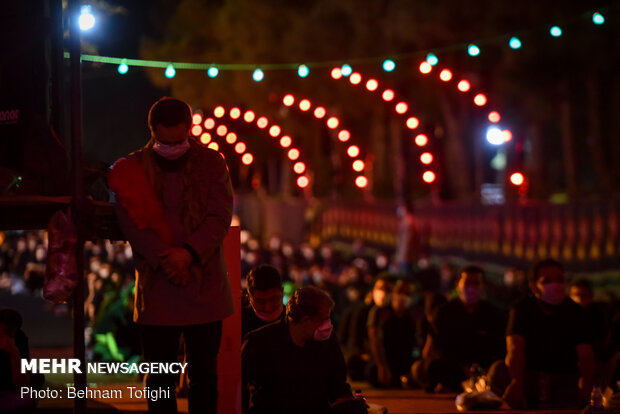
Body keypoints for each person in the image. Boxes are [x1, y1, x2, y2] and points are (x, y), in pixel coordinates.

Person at [109, 97, 234, 414]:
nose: (173, 147)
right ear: (152, 133)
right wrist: (168, 258)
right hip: (157, 288)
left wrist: (188, 254)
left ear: (190, 131)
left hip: (204, 286)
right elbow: (131, 224)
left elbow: (219, 217)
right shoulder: (132, 169)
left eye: (179, 141)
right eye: (165, 142)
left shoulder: (212, 163)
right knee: (160, 382)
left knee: (204, 378)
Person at [242, 286, 367, 414]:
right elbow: (241, 387)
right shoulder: (259, 343)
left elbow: (338, 381)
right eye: (324, 319)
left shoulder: (326, 341)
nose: (328, 324)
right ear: (306, 321)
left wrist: (348, 402)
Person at [492, 259, 595, 409]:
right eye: (547, 281)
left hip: (563, 379)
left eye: (559, 279)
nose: (555, 285)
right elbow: (515, 349)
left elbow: (586, 356)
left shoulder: (576, 312)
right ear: (534, 286)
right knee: (498, 370)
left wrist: (585, 389)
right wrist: (516, 383)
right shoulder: (522, 308)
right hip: (528, 377)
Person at [412, 265, 506, 392]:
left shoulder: (493, 313)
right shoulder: (443, 312)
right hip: (454, 367)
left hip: (483, 368)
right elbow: (437, 347)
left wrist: (480, 368)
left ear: (483, 287)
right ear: (458, 285)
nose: (471, 287)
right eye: (467, 283)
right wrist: (462, 368)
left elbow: (499, 347)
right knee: (427, 368)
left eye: (476, 283)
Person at [367, 279, 422, 388]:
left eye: (407, 294)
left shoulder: (415, 314)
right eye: (399, 292)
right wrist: (382, 366)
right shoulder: (380, 312)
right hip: (387, 359)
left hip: (408, 358)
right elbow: (375, 340)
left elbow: (420, 341)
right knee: (372, 372)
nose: (402, 296)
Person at [242, 264, 285, 339]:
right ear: (249, 297)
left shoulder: (295, 320)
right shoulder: (238, 322)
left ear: (282, 292)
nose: (268, 307)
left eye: (273, 299)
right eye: (261, 302)